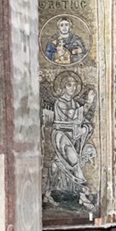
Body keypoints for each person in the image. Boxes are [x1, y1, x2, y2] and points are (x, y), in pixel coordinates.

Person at [44, 72, 97, 208]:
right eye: (69, 85)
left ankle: (47, 194)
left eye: (74, 85)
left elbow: (81, 121)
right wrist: (89, 102)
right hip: (61, 136)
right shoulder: (60, 103)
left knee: (56, 165)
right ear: (63, 87)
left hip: (73, 137)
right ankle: (83, 193)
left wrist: (85, 128)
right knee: (74, 161)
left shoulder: (74, 103)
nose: (72, 88)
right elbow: (72, 116)